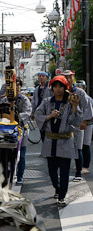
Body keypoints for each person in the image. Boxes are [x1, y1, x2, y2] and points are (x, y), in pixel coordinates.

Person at [34, 75, 81, 208]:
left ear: (65, 88)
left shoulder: (70, 101)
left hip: (66, 141)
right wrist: (50, 116)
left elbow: (76, 122)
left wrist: (75, 107)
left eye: (61, 86)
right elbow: (37, 115)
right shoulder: (47, 101)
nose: (58, 89)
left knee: (65, 171)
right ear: (52, 88)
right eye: (55, 86)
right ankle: (57, 187)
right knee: (52, 171)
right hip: (50, 141)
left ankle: (62, 196)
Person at [61, 70, 93, 182]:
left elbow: (87, 107)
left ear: (73, 78)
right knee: (64, 148)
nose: (68, 79)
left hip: (78, 123)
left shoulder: (79, 92)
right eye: (65, 77)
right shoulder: (59, 91)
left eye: (70, 77)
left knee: (79, 147)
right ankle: (63, 172)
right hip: (64, 124)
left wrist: (84, 120)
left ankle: (78, 172)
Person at [0, 78, 32, 186]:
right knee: (7, 155)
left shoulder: (24, 99)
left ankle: (20, 176)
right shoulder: (5, 99)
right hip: (7, 130)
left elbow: (27, 112)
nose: (16, 87)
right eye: (14, 85)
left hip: (20, 129)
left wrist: (14, 117)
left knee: (21, 155)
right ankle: (8, 175)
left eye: (18, 85)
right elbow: (0, 111)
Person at [76, 80, 93, 174]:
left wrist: (85, 121)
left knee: (85, 145)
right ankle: (79, 163)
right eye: (77, 86)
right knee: (78, 146)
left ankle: (85, 166)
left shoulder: (88, 98)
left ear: (84, 88)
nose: (78, 88)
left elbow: (90, 113)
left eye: (80, 87)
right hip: (77, 124)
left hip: (88, 124)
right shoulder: (74, 97)